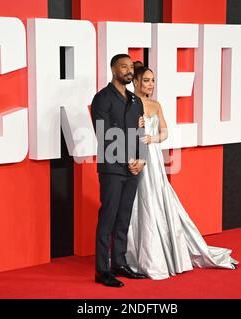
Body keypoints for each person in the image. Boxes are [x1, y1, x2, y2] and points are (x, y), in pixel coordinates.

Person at [126, 66, 239, 280]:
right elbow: (121, 130)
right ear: (137, 82)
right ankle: (138, 254)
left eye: (153, 80)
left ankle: (164, 252)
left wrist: (152, 139)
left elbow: (165, 131)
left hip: (153, 157)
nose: (151, 84)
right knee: (136, 202)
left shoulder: (156, 105)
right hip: (134, 156)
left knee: (156, 197)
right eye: (147, 80)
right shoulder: (128, 103)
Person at [90, 54, 148, 287]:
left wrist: (141, 160)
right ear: (113, 69)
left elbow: (140, 135)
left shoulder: (136, 101)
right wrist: (128, 160)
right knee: (109, 217)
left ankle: (119, 263)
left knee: (124, 217)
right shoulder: (102, 99)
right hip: (113, 167)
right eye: (123, 66)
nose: (128, 70)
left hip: (134, 167)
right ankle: (102, 271)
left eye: (130, 67)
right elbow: (105, 137)